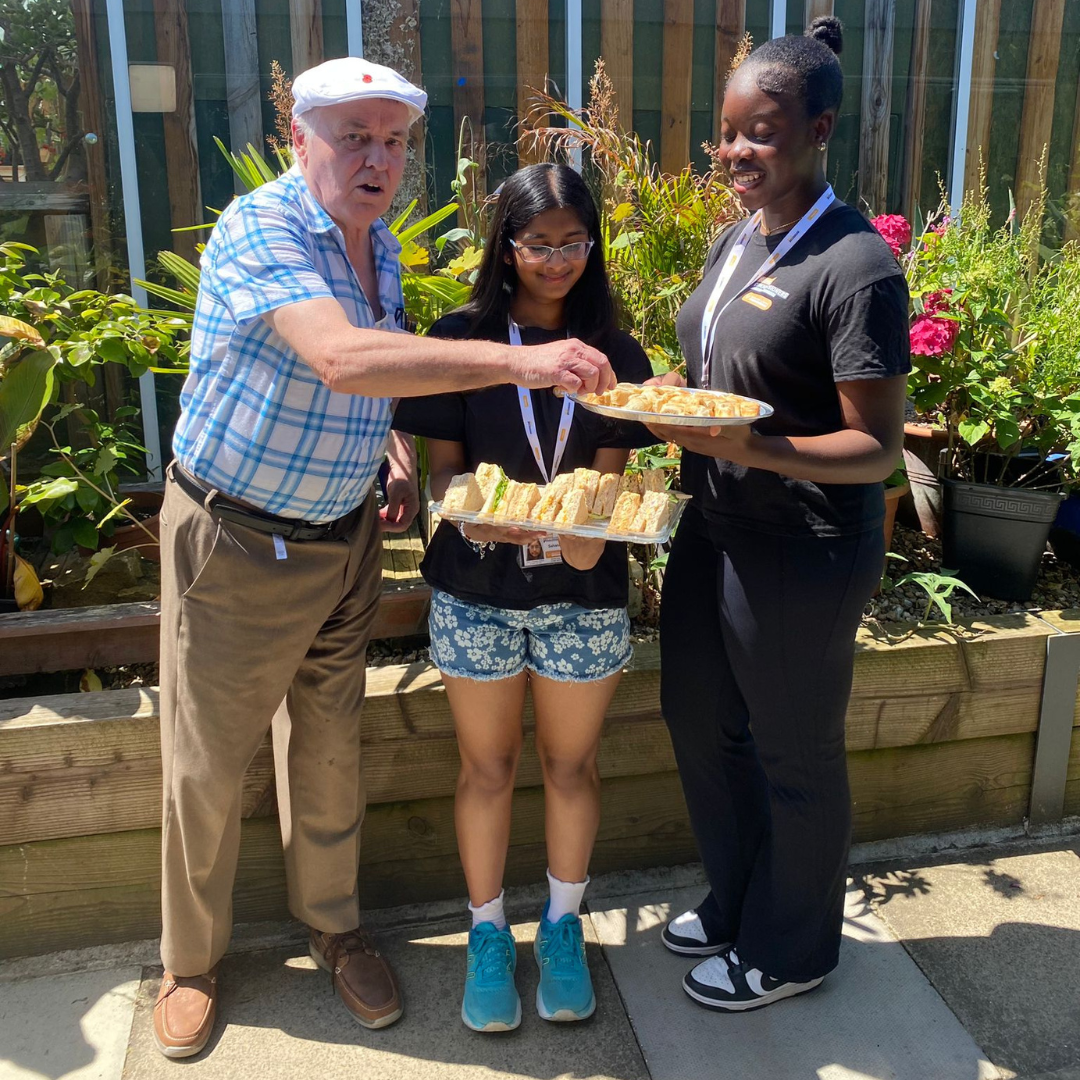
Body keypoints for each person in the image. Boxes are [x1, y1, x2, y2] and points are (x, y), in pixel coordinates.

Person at [153, 60, 613, 1060]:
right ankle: (189, 961)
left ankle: (333, 928)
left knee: (326, 752)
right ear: (299, 136)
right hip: (234, 536)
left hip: (342, 537)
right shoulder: (264, 229)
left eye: (394, 140)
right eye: (354, 135)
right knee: (207, 761)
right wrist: (520, 360)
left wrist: (393, 452)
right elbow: (340, 358)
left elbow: (369, 386)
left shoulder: (376, 253)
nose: (377, 159)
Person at [647, 17, 909, 1012]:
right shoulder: (739, 240)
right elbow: (725, 372)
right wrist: (671, 396)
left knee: (795, 750)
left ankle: (796, 949)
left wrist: (745, 446)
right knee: (700, 719)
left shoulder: (856, 266)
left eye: (759, 132)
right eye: (726, 132)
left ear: (820, 128)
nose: (734, 152)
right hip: (717, 528)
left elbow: (875, 447)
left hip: (803, 547)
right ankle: (743, 898)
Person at [393, 163, 652, 1031]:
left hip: (582, 590)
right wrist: (479, 520)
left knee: (570, 765)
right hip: (478, 590)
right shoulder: (461, 339)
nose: (555, 260)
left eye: (573, 243)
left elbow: (610, 488)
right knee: (487, 767)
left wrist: (593, 531)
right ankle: (487, 933)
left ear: (592, 244)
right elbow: (445, 480)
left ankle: (565, 927)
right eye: (537, 243)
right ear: (506, 244)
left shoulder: (617, 356)